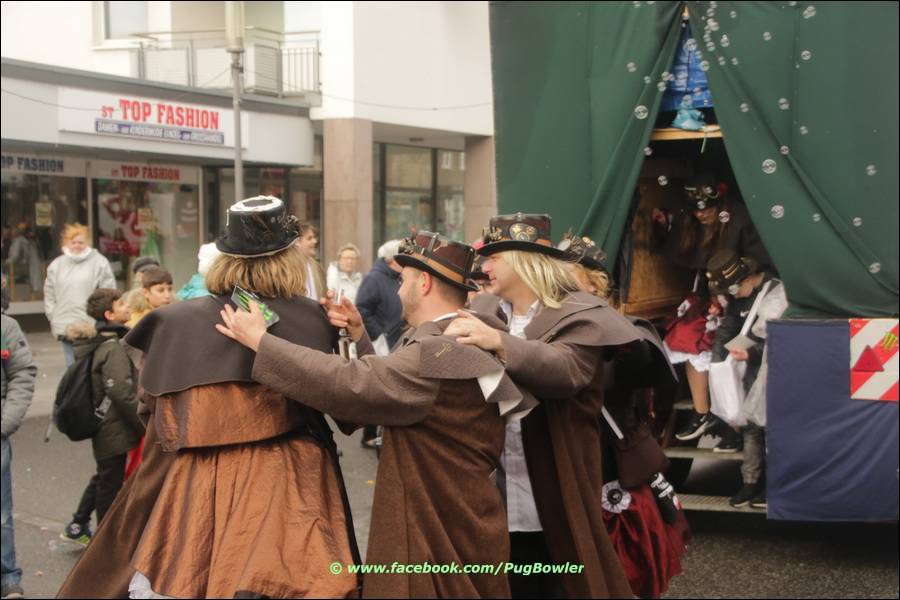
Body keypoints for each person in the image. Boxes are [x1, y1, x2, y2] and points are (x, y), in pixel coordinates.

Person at [57, 196, 359, 599]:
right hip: (289, 483)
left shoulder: (172, 322)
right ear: (291, 259)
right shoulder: (315, 319)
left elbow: (153, 411)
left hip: (195, 483)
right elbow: (349, 409)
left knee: (191, 577)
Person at [217, 231, 530, 598]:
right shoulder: (455, 337)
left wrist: (262, 342)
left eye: (403, 281)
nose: (398, 290)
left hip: (436, 534)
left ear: (424, 283)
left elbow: (354, 383)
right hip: (457, 522)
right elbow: (391, 389)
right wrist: (358, 334)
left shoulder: (439, 350)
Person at [445, 214, 640, 598]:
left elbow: (565, 371)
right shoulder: (486, 310)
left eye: (494, 257)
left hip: (558, 494)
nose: (484, 267)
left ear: (523, 260)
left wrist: (498, 342)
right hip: (495, 500)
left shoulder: (580, 311)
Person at [561, 233, 690, 598]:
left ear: (595, 284)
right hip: (571, 460)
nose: (560, 285)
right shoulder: (550, 329)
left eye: (570, 277)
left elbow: (646, 372)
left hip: (612, 464)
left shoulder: (626, 334)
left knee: (624, 566)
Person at [652, 172, 770, 451]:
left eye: (707, 208)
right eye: (695, 210)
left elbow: (756, 268)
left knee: (734, 354)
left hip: (747, 304)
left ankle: (735, 427)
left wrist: (732, 292)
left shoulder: (741, 221)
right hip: (711, 297)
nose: (701, 214)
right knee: (685, 338)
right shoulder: (693, 224)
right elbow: (683, 255)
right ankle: (704, 412)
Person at [59, 289, 144, 546]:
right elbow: (120, 391)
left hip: (103, 423)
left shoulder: (99, 342)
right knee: (110, 483)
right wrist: (142, 422)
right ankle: (105, 543)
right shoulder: (112, 347)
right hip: (112, 426)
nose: (127, 307)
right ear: (109, 314)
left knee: (105, 476)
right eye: (121, 304)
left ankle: (78, 524)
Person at [705, 250, 787, 509]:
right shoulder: (738, 298)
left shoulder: (777, 294)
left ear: (750, 278)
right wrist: (717, 361)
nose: (733, 295)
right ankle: (750, 481)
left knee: (773, 428)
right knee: (751, 424)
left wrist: (752, 353)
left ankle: (774, 484)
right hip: (749, 368)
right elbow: (728, 327)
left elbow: (782, 339)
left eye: (733, 289)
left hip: (775, 369)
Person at [44, 223, 117, 366]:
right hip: (65, 323)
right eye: (73, 242)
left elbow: (108, 292)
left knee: (90, 365)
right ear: (66, 243)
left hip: (91, 323)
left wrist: (103, 318)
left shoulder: (99, 263)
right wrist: (52, 315)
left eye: (81, 242)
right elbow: (49, 294)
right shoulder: (56, 265)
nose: (77, 245)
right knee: (71, 366)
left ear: (87, 243)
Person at [356, 239, 405, 448]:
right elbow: (362, 307)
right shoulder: (375, 278)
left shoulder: (397, 277)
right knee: (378, 388)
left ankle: (384, 433)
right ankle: (369, 434)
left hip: (396, 340)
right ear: (392, 260)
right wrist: (379, 333)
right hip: (383, 342)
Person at [1, 314, 36, 600]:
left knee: (0, 515)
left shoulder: (5, 326)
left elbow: (22, 373)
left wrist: (6, 422)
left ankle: (7, 577)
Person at [4, 224, 43, 300]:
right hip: (29, 267)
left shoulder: (19, 241)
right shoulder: (27, 242)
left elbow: (14, 256)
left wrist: (6, 262)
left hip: (20, 268)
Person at [296, 220, 325, 301]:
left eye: (314, 237)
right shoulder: (288, 269)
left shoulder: (318, 268)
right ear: (297, 242)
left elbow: (323, 294)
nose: (315, 241)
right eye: (309, 238)